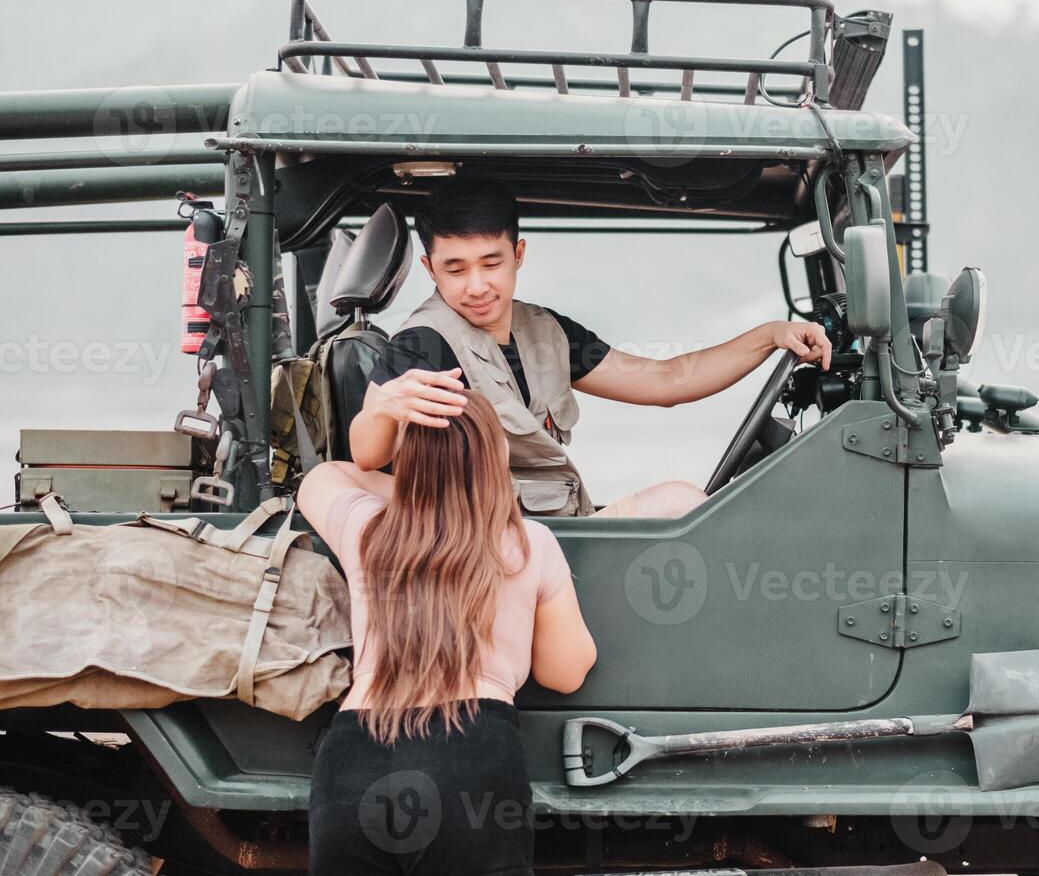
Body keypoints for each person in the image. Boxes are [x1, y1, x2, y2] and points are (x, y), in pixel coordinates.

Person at [349, 177, 833, 519]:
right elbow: (366, 456)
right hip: (498, 546)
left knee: (687, 505)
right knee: (682, 505)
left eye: (491, 263)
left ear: (518, 256)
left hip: (562, 528)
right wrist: (383, 411)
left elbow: (665, 381)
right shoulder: (422, 344)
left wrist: (770, 336)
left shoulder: (546, 330)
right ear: (431, 271)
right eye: (456, 269)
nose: (476, 286)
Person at [299, 391, 596, 876]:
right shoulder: (529, 543)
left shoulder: (366, 528)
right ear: (497, 454)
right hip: (471, 755)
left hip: (356, 757)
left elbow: (319, 479)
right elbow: (565, 673)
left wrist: (390, 420)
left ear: (406, 461)